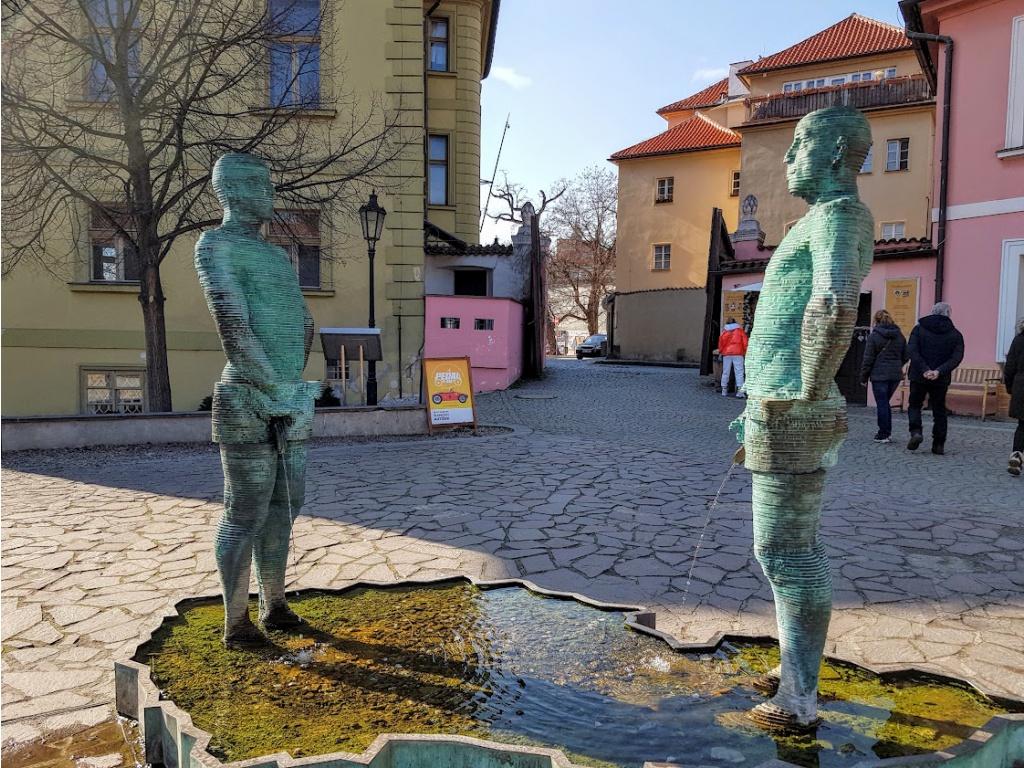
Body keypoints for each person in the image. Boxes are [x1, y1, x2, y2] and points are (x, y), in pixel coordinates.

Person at [731, 106, 874, 730]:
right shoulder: (818, 219)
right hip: (778, 401)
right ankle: (796, 666)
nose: (788, 158)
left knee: (785, 550)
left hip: (793, 404)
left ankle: (799, 700)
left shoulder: (841, 216)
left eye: (800, 145)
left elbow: (836, 299)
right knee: (788, 546)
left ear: (839, 153)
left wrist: (807, 391)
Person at [195, 153, 320, 647]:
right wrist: (272, 385)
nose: (270, 193)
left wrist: (293, 383)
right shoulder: (215, 245)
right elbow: (233, 324)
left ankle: (275, 603)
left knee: (285, 506)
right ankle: (235, 621)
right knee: (245, 508)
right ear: (231, 190)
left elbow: (303, 320)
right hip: (247, 396)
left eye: (270, 183)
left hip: (290, 395)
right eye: (260, 185)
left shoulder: (275, 254)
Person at [906, 302, 964, 455]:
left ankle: (916, 432)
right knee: (939, 410)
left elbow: (912, 350)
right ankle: (938, 444)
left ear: (932, 312)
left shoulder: (918, 329)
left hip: (919, 375)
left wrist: (925, 369)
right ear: (948, 314)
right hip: (941, 378)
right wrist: (939, 371)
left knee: (914, 405)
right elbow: (956, 357)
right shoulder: (955, 334)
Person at [859, 309, 909, 443]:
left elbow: (868, 359)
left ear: (876, 321)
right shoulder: (899, 336)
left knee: (882, 404)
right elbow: (906, 355)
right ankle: (887, 433)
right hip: (895, 375)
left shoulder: (874, 336)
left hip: (879, 376)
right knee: (885, 403)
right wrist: (897, 365)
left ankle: (884, 434)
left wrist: (863, 377)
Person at [1003, 319, 1024, 476]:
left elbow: (1009, 366)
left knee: (1022, 425)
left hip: (1021, 386)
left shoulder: (1019, 339)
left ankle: (1016, 455)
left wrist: (1010, 387)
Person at [718, 317, 749, 397]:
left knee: (725, 371)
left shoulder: (724, 333)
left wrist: (721, 351)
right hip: (738, 353)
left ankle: (724, 389)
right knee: (739, 372)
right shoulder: (740, 332)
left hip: (726, 354)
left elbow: (720, 344)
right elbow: (745, 343)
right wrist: (746, 352)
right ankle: (740, 391)